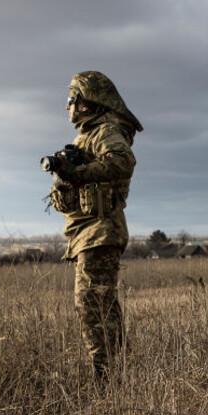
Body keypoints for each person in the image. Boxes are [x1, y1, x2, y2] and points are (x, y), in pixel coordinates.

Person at [44, 71, 142, 383]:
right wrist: (64, 176)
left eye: (71, 100)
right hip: (88, 233)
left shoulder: (105, 132)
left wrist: (80, 171)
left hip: (101, 233)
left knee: (92, 306)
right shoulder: (86, 137)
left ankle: (106, 379)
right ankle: (115, 376)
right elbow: (67, 197)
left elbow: (123, 161)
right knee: (101, 305)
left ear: (86, 103)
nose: (67, 107)